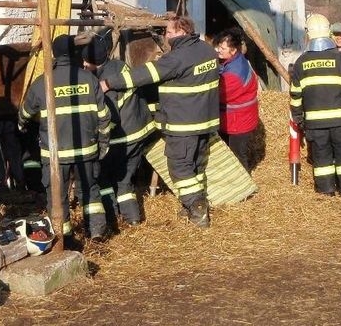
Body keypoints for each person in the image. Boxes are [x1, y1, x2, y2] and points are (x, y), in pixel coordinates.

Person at [101, 16, 219, 228]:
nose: (166, 37)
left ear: (182, 32)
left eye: (169, 33)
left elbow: (144, 75)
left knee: (180, 168)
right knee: (196, 166)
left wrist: (109, 82)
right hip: (206, 121)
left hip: (183, 124)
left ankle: (197, 208)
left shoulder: (176, 58)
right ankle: (190, 206)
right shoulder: (206, 50)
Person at [18, 34, 112, 240]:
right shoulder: (89, 79)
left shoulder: (43, 82)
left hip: (55, 156)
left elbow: (25, 113)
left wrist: (22, 125)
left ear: (54, 54)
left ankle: (64, 238)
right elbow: (104, 116)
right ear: (74, 52)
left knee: (57, 198)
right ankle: (96, 232)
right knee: (90, 193)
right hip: (86, 151)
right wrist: (103, 143)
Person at [82, 29, 155, 227]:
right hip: (140, 132)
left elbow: (110, 116)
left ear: (91, 62)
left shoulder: (102, 82)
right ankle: (133, 219)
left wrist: (98, 139)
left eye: (85, 62)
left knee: (104, 179)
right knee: (125, 180)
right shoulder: (120, 65)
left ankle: (112, 218)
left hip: (121, 138)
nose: (83, 66)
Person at [290, 14, 341, 203]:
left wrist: (299, 118)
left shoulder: (300, 63)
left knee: (321, 158)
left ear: (308, 34)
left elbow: (296, 96)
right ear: (328, 32)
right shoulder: (340, 59)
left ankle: (326, 192)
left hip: (315, 125)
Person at [212, 27, 258, 171]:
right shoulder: (236, 61)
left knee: (237, 154)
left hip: (238, 121)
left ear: (233, 50)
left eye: (222, 48)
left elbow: (218, 95)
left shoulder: (233, 75)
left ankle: (244, 186)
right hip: (239, 118)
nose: (218, 50)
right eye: (218, 46)